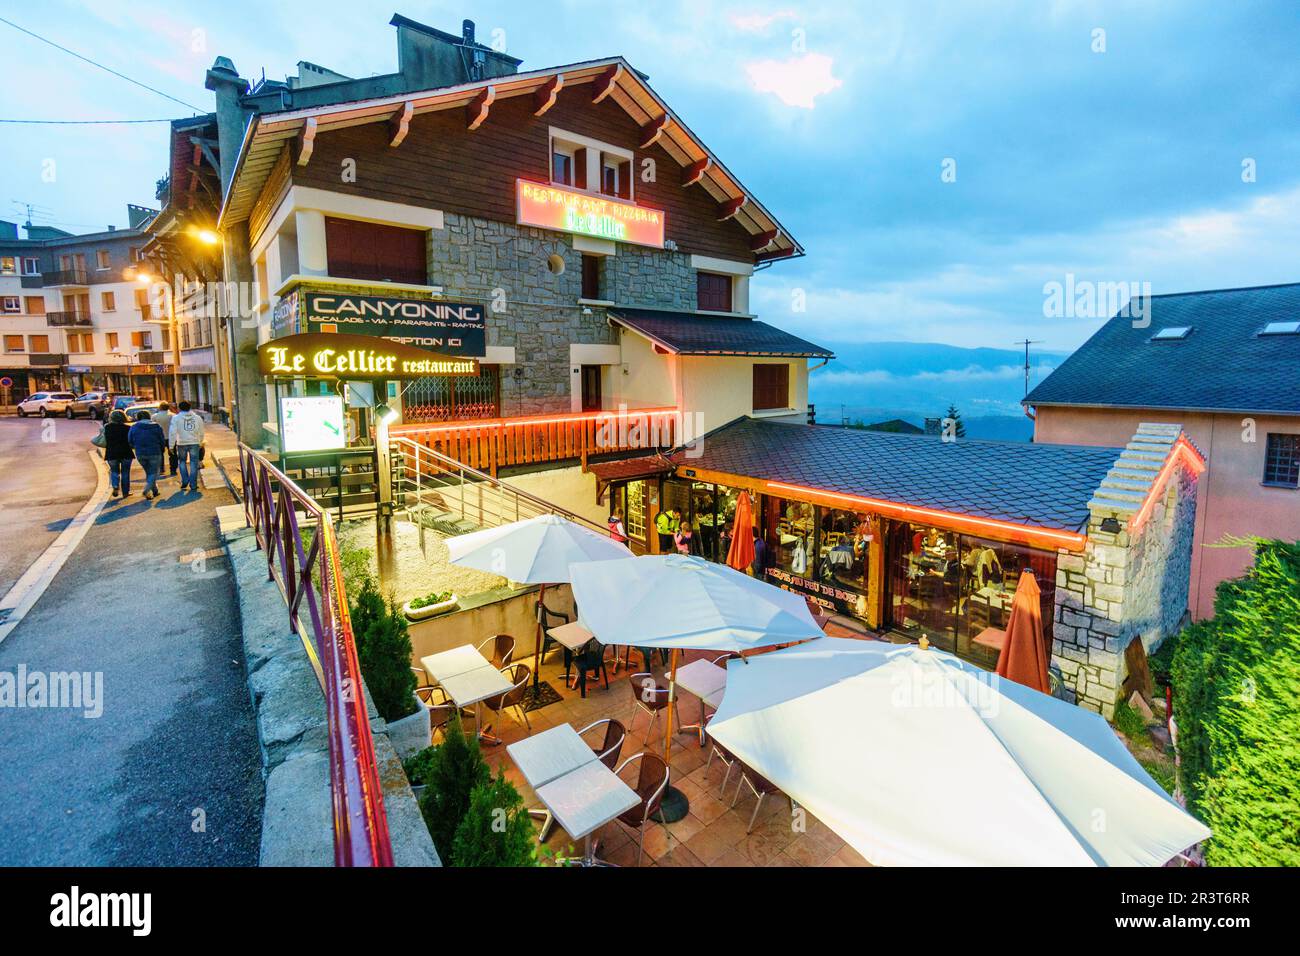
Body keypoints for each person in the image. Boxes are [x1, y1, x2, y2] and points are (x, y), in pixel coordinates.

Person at [129, 410, 167, 500]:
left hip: (140, 453)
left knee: (149, 472)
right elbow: (162, 440)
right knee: (154, 472)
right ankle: (147, 489)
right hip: (154, 451)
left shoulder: (134, 427)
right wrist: (162, 449)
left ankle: (154, 491)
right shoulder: (156, 426)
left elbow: (130, 440)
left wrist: (136, 447)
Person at [169, 400, 206, 492]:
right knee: (194, 462)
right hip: (194, 442)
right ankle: (193, 484)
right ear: (190, 407)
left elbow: (172, 433)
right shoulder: (197, 418)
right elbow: (201, 431)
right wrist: (200, 442)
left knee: (182, 461)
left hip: (182, 442)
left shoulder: (176, 418)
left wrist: (171, 445)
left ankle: (185, 480)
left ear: (179, 408)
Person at [103, 410, 134, 499]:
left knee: (114, 471)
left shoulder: (107, 428)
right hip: (126, 452)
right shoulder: (128, 428)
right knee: (125, 472)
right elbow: (130, 441)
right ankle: (125, 492)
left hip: (112, 452)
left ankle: (115, 485)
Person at [152, 403, 176, 477]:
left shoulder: (154, 416)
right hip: (171, 437)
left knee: (160, 454)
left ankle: (161, 469)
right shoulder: (173, 416)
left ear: (160, 408)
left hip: (159, 438)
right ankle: (173, 469)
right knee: (173, 454)